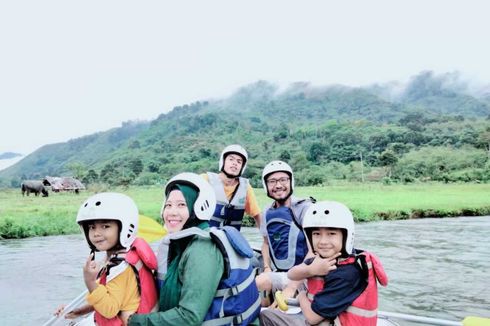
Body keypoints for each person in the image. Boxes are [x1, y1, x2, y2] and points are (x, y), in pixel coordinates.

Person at [129, 172, 260, 326]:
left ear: (198, 207)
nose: (172, 212)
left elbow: (190, 317)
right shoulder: (181, 243)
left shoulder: (202, 249)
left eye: (182, 205)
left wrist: (134, 321)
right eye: (168, 205)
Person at [260, 201, 388, 326]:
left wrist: (302, 296)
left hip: (320, 319)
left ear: (346, 235)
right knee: (268, 313)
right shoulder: (324, 259)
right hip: (327, 319)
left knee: (266, 316)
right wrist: (311, 270)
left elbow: (312, 318)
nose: (323, 241)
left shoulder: (348, 273)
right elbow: (292, 275)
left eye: (331, 233)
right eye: (316, 234)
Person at [55, 192, 158, 325]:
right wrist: (78, 312)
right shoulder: (120, 256)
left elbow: (110, 309)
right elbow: (110, 297)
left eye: (105, 226)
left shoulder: (121, 266)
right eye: (92, 227)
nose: (96, 233)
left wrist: (90, 282)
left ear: (123, 227)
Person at [255, 160, 315, 305]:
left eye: (283, 180)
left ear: (291, 182)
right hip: (282, 273)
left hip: (307, 275)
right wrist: (267, 268)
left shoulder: (305, 209)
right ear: (266, 186)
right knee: (259, 282)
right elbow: (266, 243)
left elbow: (314, 252)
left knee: (261, 282)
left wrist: (293, 284)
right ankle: (267, 313)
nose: (278, 185)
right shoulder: (267, 212)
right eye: (272, 181)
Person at [202, 144, 262, 230]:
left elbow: (257, 215)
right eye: (231, 159)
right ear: (223, 162)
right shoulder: (205, 179)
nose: (235, 163)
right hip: (204, 236)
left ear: (242, 167)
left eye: (239, 161)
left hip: (229, 239)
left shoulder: (245, 188)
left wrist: (266, 241)